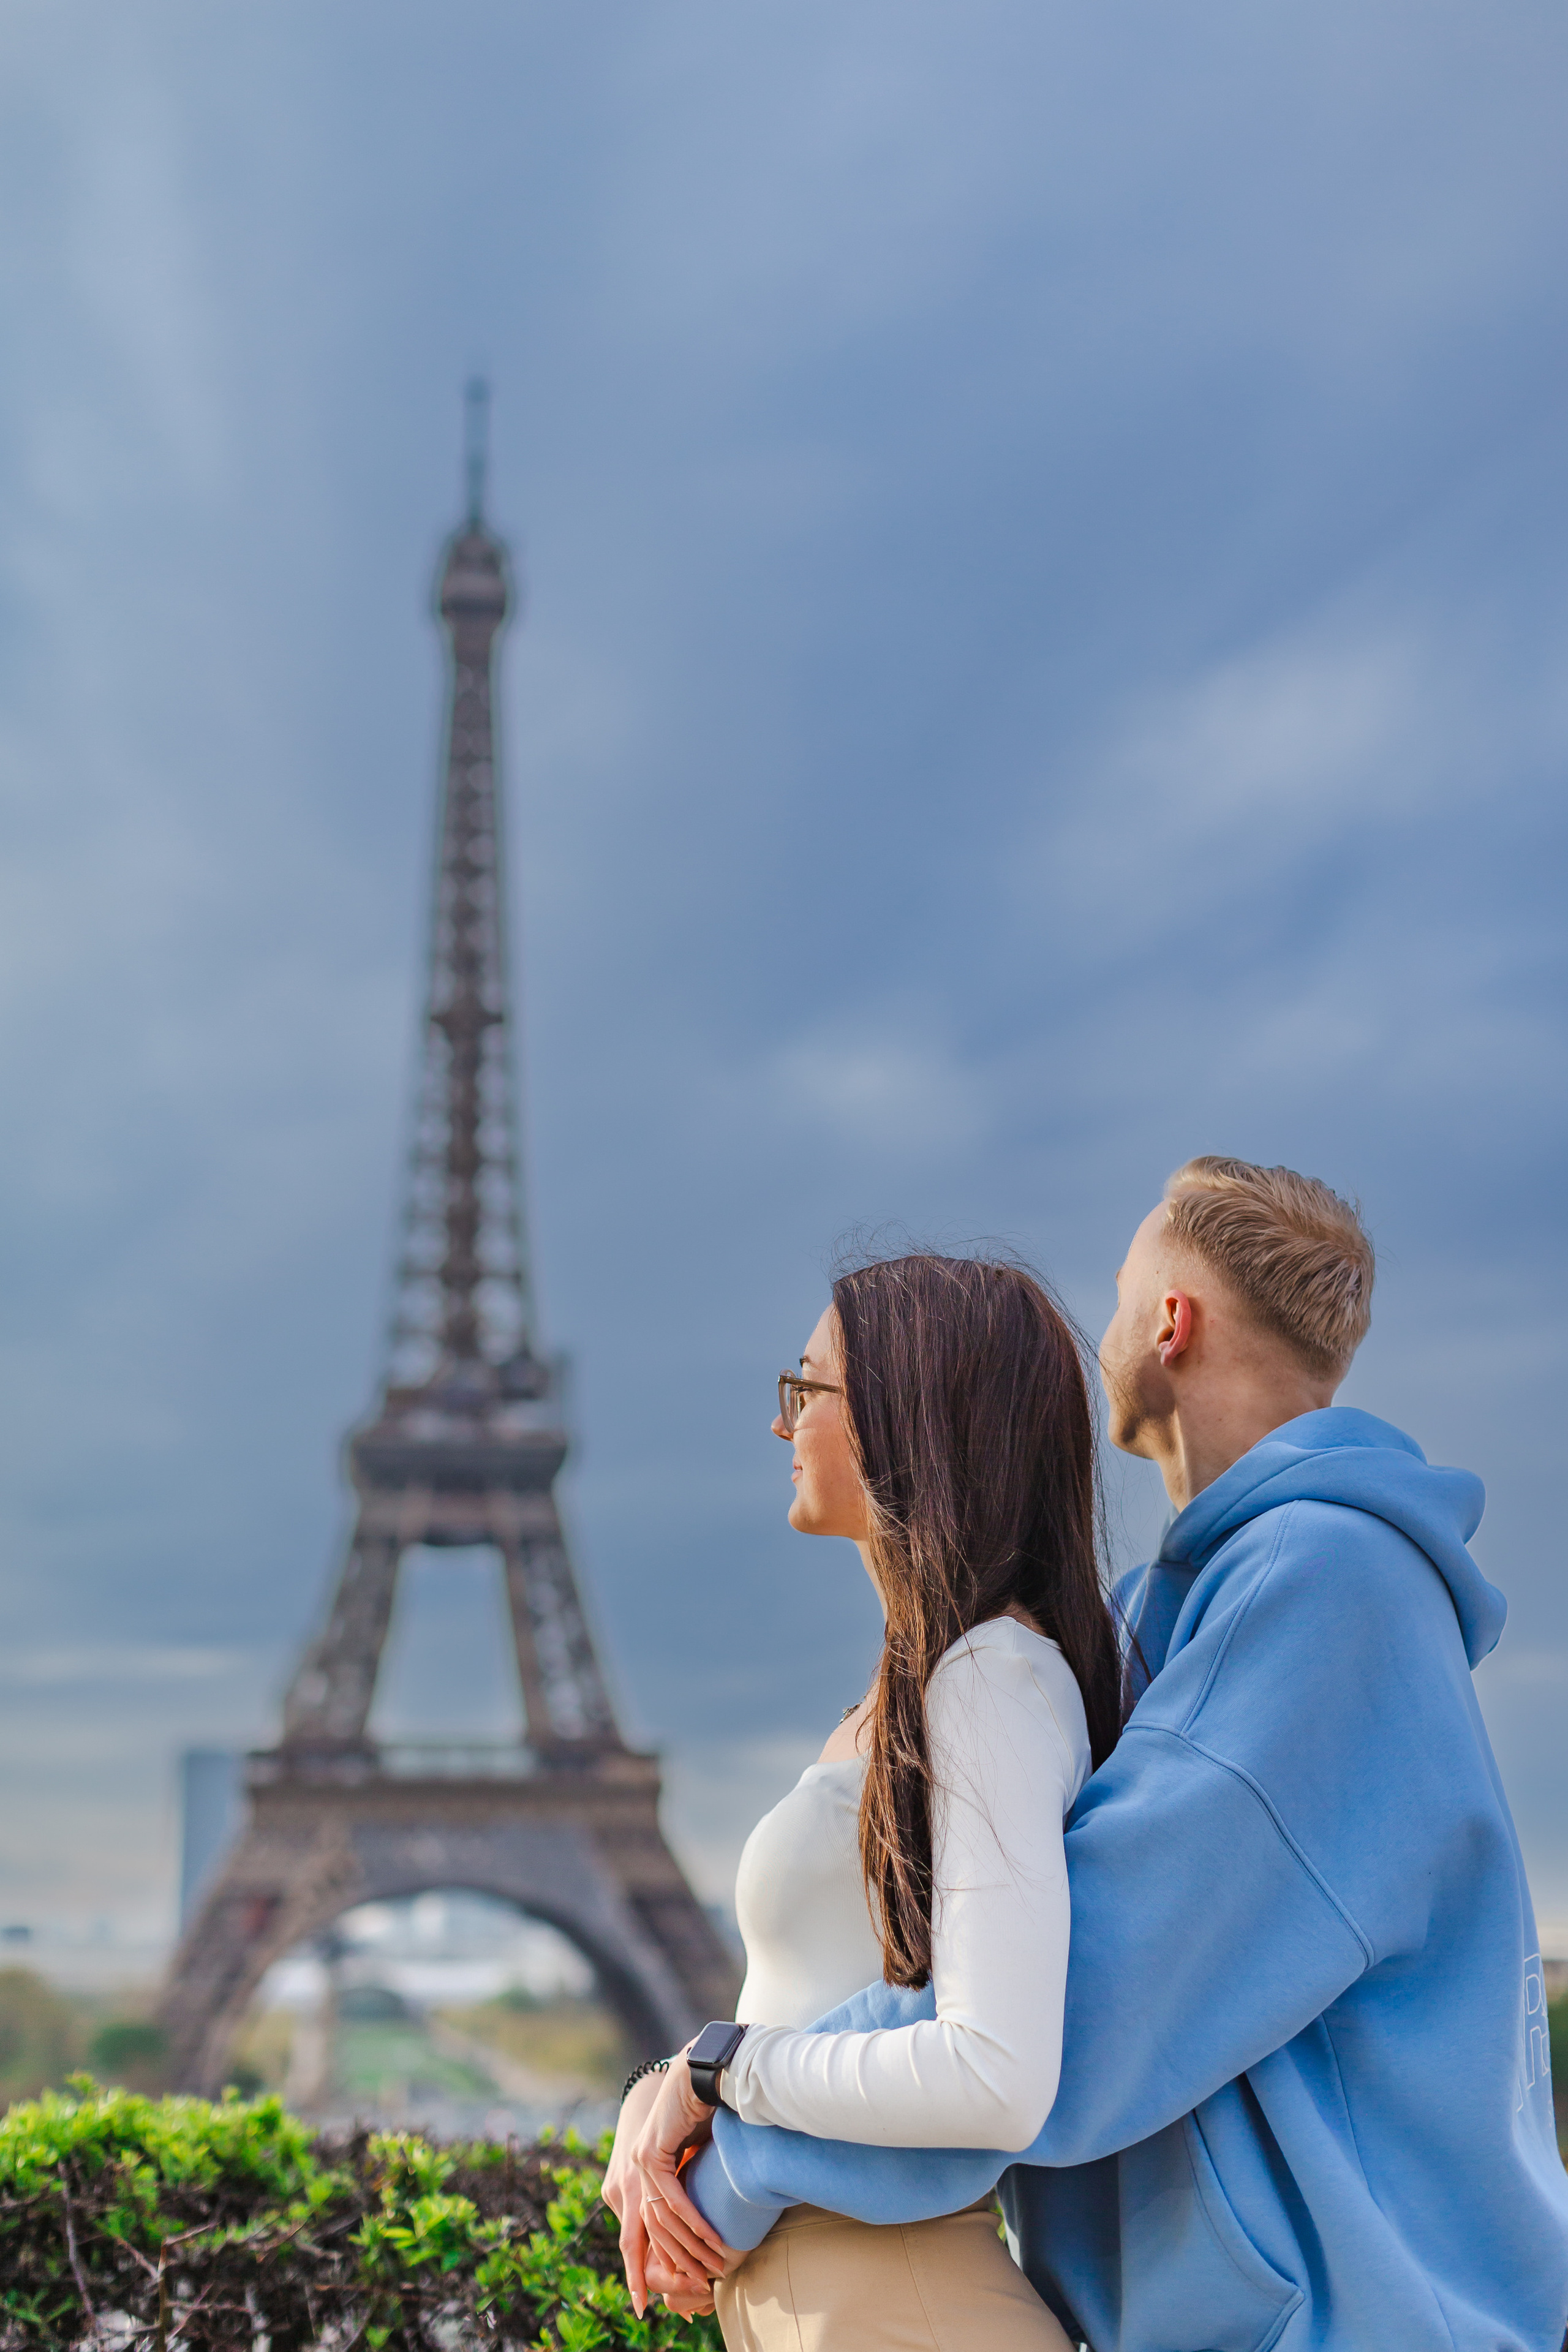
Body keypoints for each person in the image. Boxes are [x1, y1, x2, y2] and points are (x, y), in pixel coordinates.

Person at [664, 1159, 1568, 2352]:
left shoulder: (1322, 1592)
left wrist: (725, 2132)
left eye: (1115, 1290)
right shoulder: (1161, 1617)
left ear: (1169, 1322)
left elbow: (1070, 2021)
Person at [602, 1250, 1128, 2349]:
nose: (785, 1426)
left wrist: (716, 2074)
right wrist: (663, 2090)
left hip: (896, 2304)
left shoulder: (989, 1676)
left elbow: (993, 2072)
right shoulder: (923, 1686)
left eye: (810, 1390)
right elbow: (823, 1988)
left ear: (909, 1416)